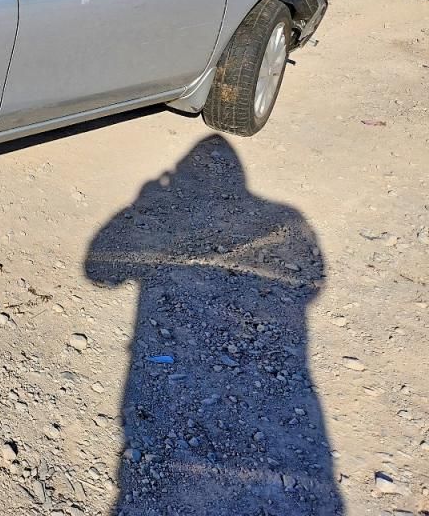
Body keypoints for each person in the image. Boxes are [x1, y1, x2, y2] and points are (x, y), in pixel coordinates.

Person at [85, 135, 342, 515]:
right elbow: (311, 285)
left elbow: (98, 271)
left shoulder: (283, 221)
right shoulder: (288, 219)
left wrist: (146, 201)